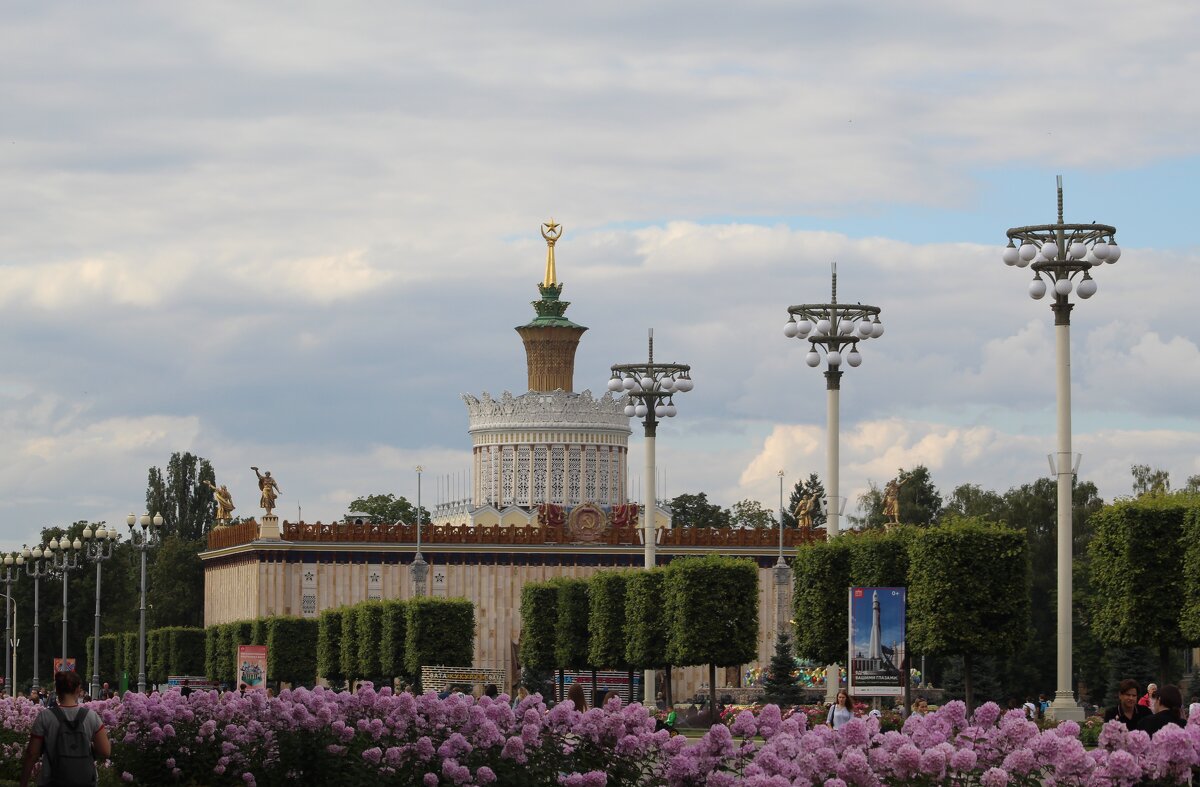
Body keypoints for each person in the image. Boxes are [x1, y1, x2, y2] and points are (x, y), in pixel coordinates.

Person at [20, 671, 111, 787]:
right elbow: (105, 751)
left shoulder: (45, 717)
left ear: (57, 690)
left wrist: (23, 782)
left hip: (51, 780)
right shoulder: (91, 716)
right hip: (85, 780)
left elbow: (32, 754)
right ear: (78, 690)